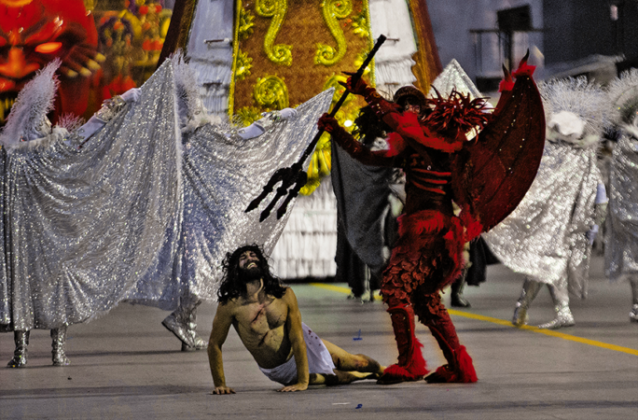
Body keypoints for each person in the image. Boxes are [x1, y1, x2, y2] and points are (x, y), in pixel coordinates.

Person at [318, 57, 544, 384]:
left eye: (414, 103)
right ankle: (458, 366)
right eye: (403, 104)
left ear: (425, 110)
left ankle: (409, 364)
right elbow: (369, 156)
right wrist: (336, 131)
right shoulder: (412, 146)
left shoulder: (442, 144)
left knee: (395, 286)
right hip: (419, 230)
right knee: (424, 300)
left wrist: (368, 92)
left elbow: (404, 126)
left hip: (433, 230)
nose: (408, 108)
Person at [484, 78, 608, 329]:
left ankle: (546, 309)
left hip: (553, 226)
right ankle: (530, 307)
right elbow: (599, 194)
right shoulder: (578, 159)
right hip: (561, 226)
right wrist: (594, 221)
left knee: (546, 264)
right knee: (545, 265)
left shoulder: (552, 158)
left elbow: (530, 185)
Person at [208, 245, 384, 393]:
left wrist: (302, 381)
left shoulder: (284, 294)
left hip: (301, 346)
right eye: (243, 257)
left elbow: (297, 338)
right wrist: (220, 384)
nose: (249, 258)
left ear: (262, 262)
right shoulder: (230, 305)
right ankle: (366, 376)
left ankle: (384, 370)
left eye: (253, 255)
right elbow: (215, 344)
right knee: (338, 378)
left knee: (357, 362)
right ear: (236, 268)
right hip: (280, 368)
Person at [605, 69, 638, 324]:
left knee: (633, 259)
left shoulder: (622, 145)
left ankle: (636, 305)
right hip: (628, 213)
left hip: (627, 214)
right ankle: (636, 304)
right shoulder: (625, 144)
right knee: (633, 259)